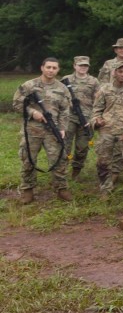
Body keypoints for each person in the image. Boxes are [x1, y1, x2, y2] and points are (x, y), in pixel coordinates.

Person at [12, 57, 73, 203]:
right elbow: (17, 103)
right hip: (32, 130)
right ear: (42, 68)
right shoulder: (29, 85)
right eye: (48, 67)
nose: (51, 70)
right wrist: (33, 112)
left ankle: (61, 189)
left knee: (59, 159)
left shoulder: (62, 88)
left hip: (53, 130)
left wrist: (63, 128)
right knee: (28, 159)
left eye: (54, 68)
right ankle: (27, 189)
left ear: (58, 70)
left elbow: (65, 110)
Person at [91, 61, 123, 194]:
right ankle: (105, 189)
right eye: (120, 71)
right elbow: (96, 110)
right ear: (114, 72)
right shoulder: (104, 89)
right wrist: (97, 120)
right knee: (103, 162)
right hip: (106, 130)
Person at [62, 56, 99, 180]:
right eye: (80, 65)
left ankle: (76, 171)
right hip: (69, 117)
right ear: (74, 66)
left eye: (85, 65)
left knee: (82, 147)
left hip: (86, 119)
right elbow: (59, 97)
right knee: (65, 144)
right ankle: (61, 171)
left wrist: (94, 117)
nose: (83, 67)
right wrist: (69, 103)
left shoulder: (94, 81)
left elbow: (98, 100)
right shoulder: (66, 80)